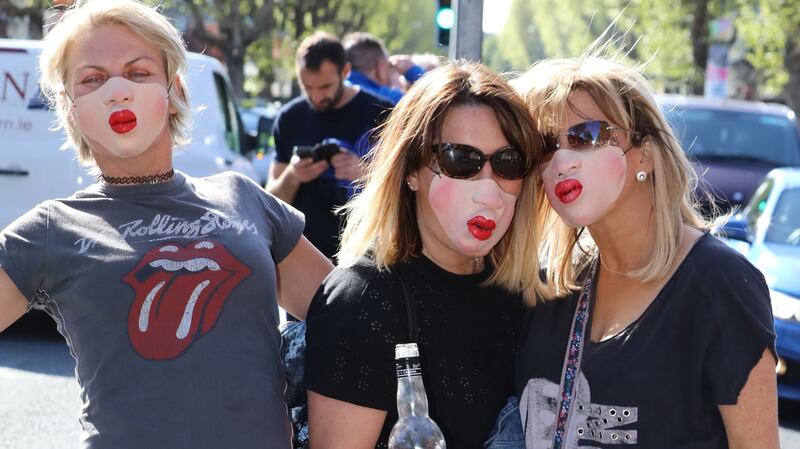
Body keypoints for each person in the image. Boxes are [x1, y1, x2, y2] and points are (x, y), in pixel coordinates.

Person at [0, 1, 333, 448]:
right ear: (69, 108)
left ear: (175, 91)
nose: (117, 92)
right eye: (93, 79)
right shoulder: (50, 229)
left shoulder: (243, 197)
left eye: (137, 73)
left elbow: (350, 312)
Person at [509, 53, 779, 448]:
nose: (563, 160)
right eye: (547, 146)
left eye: (586, 136)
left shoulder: (720, 286)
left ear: (645, 155)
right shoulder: (550, 289)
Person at [304, 61, 548, 449]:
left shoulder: (534, 292)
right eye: (460, 161)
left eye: (508, 163)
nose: (488, 189)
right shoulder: (364, 301)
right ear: (411, 170)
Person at [267, 32, 392, 260]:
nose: (316, 96)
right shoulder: (289, 118)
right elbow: (270, 203)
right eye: (307, 87)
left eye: (325, 87)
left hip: (365, 256)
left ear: (345, 72)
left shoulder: (381, 112)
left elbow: (407, 189)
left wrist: (364, 172)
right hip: (301, 257)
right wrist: (293, 175)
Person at [343, 32, 426, 105]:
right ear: (380, 66)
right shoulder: (390, 100)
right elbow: (434, 102)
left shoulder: (334, 92)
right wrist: (412, 71)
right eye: (388, 66)